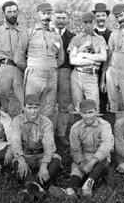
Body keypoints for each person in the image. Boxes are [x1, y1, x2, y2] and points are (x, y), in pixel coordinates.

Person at [49, 99, 113, 202]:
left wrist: (91, 163)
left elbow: (106, 146)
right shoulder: (75, 128)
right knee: (76, 167)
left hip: (99, 158)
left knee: (103, 158)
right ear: (80, 113)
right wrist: (81, 162)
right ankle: (70, 190)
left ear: (96, 111)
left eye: (91, 112)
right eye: (85, 113)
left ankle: (88, 186)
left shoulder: (105, 125)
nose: (88, 116)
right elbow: (75, 150)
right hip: (84, 156)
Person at [14, 3, 64, 122]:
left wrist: (50, 66)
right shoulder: (29, 33)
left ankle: (44, 138)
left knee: (48, 109)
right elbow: (18, 58)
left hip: (51, 75)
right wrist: (32, 67)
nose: (46, 16)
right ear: (37, 15)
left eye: (49, 13)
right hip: (34, 75)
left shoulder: (56, 35)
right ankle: (28, 139)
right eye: (43, 13)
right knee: (30, 107)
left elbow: (61, 58)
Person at [11, 94, 61, 201]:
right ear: (24, 107)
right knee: (16, 162)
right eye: (29, 108)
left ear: (40, 108)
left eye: (36, 108)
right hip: (26, 154)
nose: (32, 111)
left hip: (40, 154)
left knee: (56, 159)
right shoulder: (17, 121)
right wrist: (21, 161)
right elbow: (15, 143)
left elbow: (49, 147)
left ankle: (31, 189)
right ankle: (39, 189)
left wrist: (43, 167)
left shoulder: (46, 123)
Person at [67, 11, 107, 112]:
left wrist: (84, 55)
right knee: (78, 107)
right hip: (77, 75)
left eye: (90, 22)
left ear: (94, 22)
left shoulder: (100, 39)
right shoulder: (76, 39)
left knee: (93, 107)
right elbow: (73, 60)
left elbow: (103, 57)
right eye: (86, 22)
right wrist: (93, 60)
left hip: (91, 76)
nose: (88, 25)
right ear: (82, 23)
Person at [54, 10, 75, 146]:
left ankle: (61, 134)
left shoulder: (72, 37)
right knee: (47, 103)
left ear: (67, 20)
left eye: (63, 18)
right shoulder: (48, 34)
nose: (61, 21)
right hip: (49, 70)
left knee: (64, 104)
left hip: (65, 71)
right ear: (53, 19)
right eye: (58, 18)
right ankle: (47, 133)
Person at [92, 3, 115, 130]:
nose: (101, 18)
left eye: (103, 16)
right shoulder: (90, 33)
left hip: (108, 73)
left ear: (107, 17)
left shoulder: (112, 34)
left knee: (107, 103)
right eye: (98, 15)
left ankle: (107, 131)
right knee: (93, 102)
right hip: (92, 72)